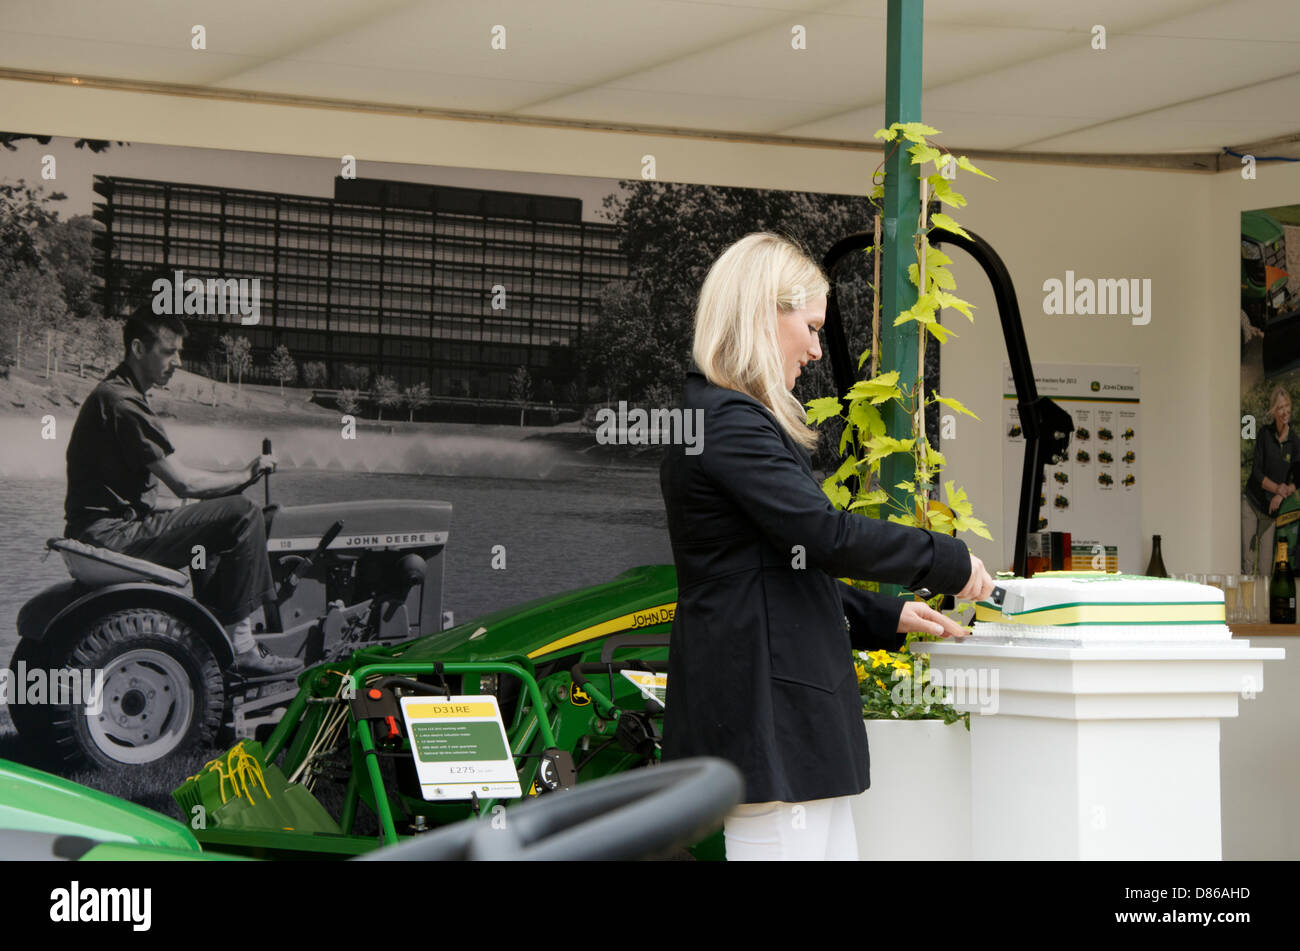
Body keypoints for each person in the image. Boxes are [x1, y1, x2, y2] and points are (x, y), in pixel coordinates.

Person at [659, 232, 995, 861]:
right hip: (770, 718)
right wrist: (947, 560)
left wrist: (884, 613)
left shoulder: (718, 418)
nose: (816, 350)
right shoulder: (728, 422)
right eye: (811, 328)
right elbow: (824, 534)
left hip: (779, 720)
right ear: (763, 314)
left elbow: (772, 570)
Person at [63, 305, 302, 677]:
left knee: (212, 528)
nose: (177, 362)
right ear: (138, 348)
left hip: (98, 531)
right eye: (168, 352)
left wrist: (186, 507)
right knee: (243, 513)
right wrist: (247, 473)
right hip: (112, 536)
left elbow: (129, 495)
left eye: (179, 353)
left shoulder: (113, 394)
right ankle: (241, 646)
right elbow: (184, 482)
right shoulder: (123, 403)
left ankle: (210, 630)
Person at [1243, 385, 1300, 574]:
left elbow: (1298, 478)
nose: (1285, 411)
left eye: (1287, 406)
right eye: (1280, 407)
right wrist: (1277, 489)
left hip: (1270, 512)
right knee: (1247, 562)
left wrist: (1282, 495)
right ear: (1274, 411)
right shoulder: (1264, 434)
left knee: (1265, 569)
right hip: (1252, 504)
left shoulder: (1294, 441)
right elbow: (1257, 473)